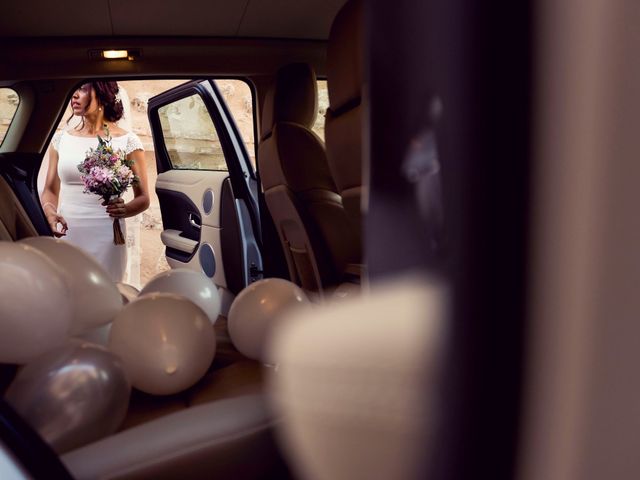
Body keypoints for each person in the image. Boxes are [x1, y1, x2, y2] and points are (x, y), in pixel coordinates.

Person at [41, 81, 150, 282]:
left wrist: (125, 209)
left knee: (105, 293)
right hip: (68, 232)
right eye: (73, 89)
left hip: (107, 235)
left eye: (82, 89)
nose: (74, 95)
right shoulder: (61, 140)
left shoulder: (127, 141)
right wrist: (49, 212)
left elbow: (143, 198)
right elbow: (50, 189)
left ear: (101, 93)